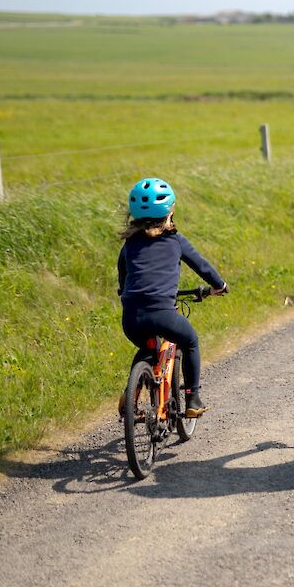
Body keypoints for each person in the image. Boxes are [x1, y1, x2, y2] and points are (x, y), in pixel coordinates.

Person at [117, 177, 228, 417]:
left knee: (148, 347)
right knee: (190, 342)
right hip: (163, 314)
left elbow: (123, 277)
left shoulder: (129, 245)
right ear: (170, 212)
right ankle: (193, 399)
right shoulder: (175, 240)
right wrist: (219, 285)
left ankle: (131, 397)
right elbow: (202, 266)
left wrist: (123, 292)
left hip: (132, 317)